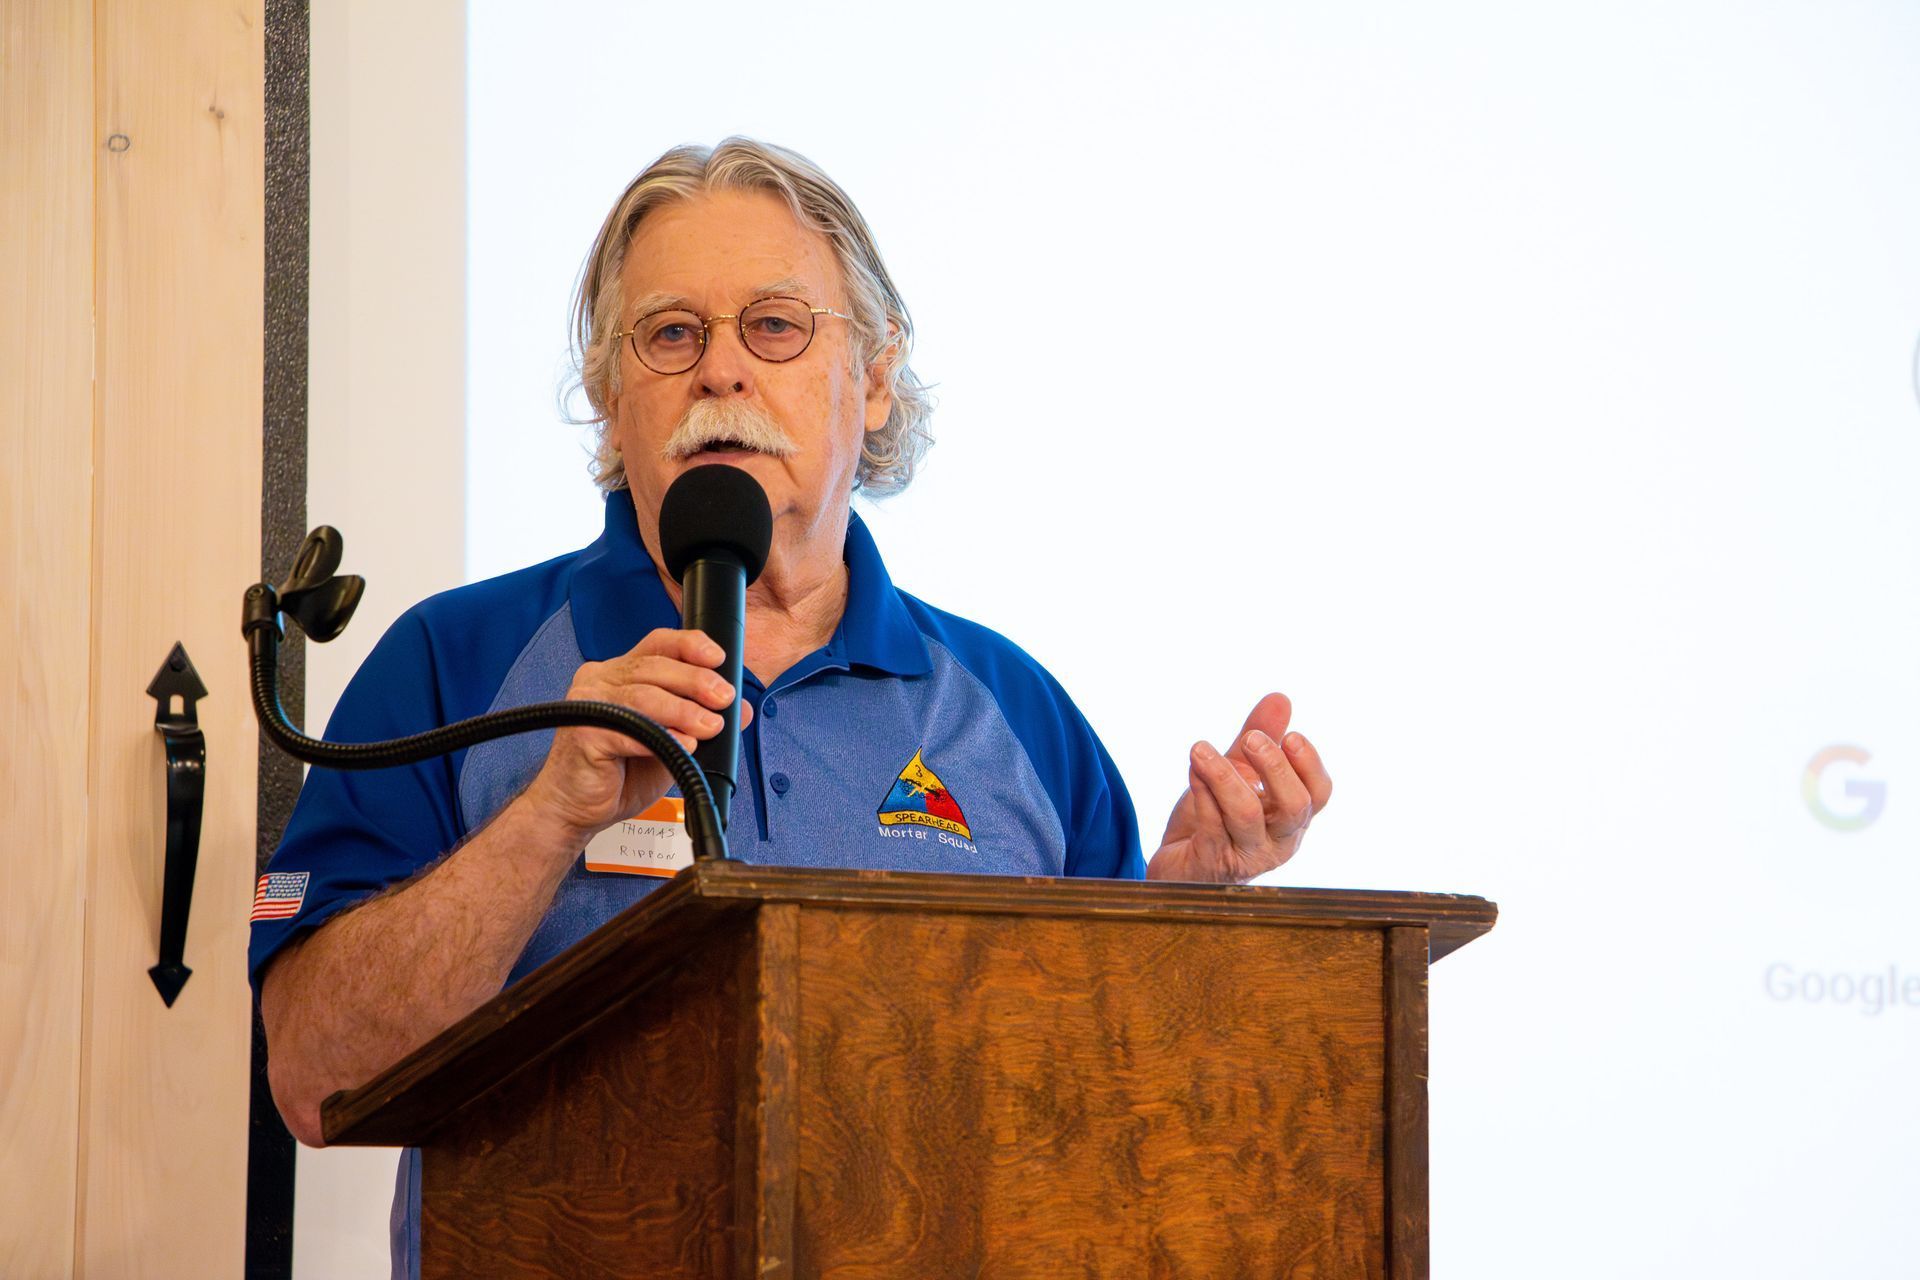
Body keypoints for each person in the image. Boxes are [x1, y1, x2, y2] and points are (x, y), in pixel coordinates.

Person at [250, 137, 1333, 1275]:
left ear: (871, 380)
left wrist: (1190, 912)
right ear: (614, 402)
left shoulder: (1013, 708)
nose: (721, 370)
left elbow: (1121, 1110)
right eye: (671, 333)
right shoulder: (458, 662)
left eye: (773, 324)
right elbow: (316, 1079)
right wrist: (546, 815)